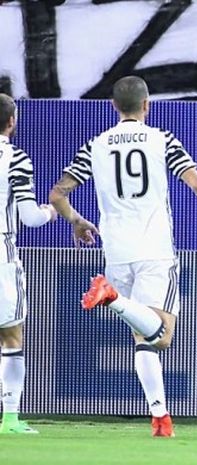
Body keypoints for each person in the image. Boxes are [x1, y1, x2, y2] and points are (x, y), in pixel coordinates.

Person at [49, 76, 197, 437]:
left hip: (117, 251)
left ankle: (160, 418)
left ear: (113, 106)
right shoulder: (161, 139)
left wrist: (76, 221)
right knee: (162, 336)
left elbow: (58, 192)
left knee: (142, 336)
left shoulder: (96, 144)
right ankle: (113, 297)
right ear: (146, 105)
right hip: (154, 249)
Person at [0, 94, 57, 434]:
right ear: (11, 122)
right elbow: (31, 217)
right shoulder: (15, 158)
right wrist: (51, 211)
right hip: (0, 254)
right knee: (11, 336)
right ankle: (9, 418)